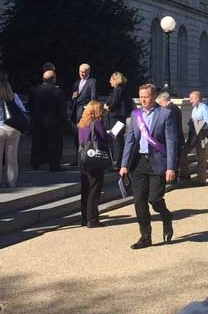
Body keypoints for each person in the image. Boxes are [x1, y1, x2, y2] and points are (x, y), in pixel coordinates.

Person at [120, 83, 177, 249]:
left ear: (154, 97)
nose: (143, 100)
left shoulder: (166, 114)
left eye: (146, 96)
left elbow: (171, 142)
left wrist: (171, 167)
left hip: (158, 163)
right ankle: (145, 236)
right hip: (139, 163)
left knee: (154, 199)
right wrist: (124, 164)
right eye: (141, 96)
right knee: (139, 201)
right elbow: (130, 141)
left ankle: (166, 216)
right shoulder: (135, 114)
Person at [77, 100, 112, 228]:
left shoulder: (81, 123)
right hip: (94, 159)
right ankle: (92, 219)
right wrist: (111, 134)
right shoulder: (96, 123)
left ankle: (84, 218)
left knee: (85, 189)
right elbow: (105, 138)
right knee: (94, 189)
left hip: (83, 158)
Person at [30, 69, 68, 170]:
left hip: (38, 121)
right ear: (53, 79)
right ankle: (54, 165)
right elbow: (61, 108)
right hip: (53, 121)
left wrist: (33, 118)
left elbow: (31, 106)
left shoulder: (34, 90)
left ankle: (35, 163)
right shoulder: (57, 91)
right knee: (54, 144)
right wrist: (64, 121)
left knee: (37, 142)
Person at [104, 71, 133, 168]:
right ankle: (119, 161)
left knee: (116, 140)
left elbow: (114, 103)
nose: (109, 81)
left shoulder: (118, 90)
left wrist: (108, 107)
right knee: (118, 139)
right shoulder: (123, 89)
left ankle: (117, 162)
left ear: (116, 80)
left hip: (116, 117)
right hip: (120, 117)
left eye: (111, 79)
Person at [184, 90, 208, 184]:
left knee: (201, 158)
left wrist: (196, 123)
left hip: (202, 137)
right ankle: (194, 177)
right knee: (193, 156)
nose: (190, 101)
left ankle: (202, 179)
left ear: (197, 98)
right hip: (194, 137)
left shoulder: (204, 108)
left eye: (191, 99)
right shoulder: (194, 109)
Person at [70, 63, 97, 164]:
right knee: (76, 135)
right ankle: (77, 159)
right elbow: (74, 96)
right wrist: (73, 98)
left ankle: (85, 158)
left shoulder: (92, 82)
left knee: (85, 136)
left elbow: (93, 97)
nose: (82, 73)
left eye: (84, 72)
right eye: (80, 72)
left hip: (85, 112)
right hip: (75, 112)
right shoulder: (77, 82)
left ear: (88, 72)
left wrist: (89, 109)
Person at [158, 92, 186, 182]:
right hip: (178, 137)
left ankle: (172, 179)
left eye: (160, 102)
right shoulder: (176, 107)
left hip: (173, 138)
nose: (160, 105)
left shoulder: (169, 109)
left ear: (164, 100)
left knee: (173, 158)